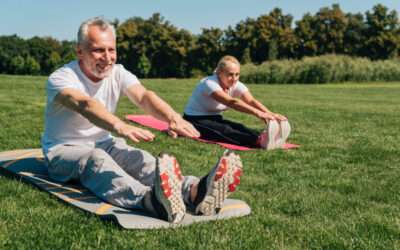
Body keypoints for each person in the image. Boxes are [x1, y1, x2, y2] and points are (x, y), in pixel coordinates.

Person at [41, 17, 243, 223]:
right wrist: (119, 125)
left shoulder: (118, 72)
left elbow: (143, 96)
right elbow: (85, 104)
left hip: (105, 142)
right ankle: (150, 200)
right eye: (98, 50)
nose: (107, 57)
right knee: (96, 160)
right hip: (63, 150)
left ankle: (194, 192)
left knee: (140, 159)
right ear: (79, 51)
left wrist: (173, 117)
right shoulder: (62, 78)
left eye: (111, 50)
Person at [183, 55, 291, 150]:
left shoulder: (235, 84)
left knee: (239, 127)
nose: (234, 79)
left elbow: (251, 101)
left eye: (237, 74)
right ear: (220, 73)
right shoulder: (209, 83)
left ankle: (265, 138)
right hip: (194, 120)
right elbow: (232, 102)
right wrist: (258, 113)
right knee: (225, 130)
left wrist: (271, 114)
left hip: (214, 118)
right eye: (230, 74)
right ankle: (258, 141)